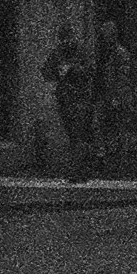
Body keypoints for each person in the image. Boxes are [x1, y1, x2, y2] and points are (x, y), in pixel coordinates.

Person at [42, 27, 96, 181]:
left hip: (81, 98)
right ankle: (77, 169)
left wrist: (72, 69)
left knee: (79, 134)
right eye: (64, 39)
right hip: (65, 99)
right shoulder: (57, 52)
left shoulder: (83, 52)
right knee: (72, 135)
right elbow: (46, 71)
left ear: (73, 38)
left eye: (69, 39)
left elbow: (90, 71)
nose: (67, 42)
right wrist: (57, 72)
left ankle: (80, 171)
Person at [92, 19, 137, 172]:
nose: (104, 38)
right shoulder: (104, 53)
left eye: (106, 35)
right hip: (105, 95)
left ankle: (121, 162)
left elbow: (123, 76)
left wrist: (117, 97)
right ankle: (104, 158)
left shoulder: (120, 53)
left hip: (118, 96)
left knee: (120, 130)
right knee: (100, 126)